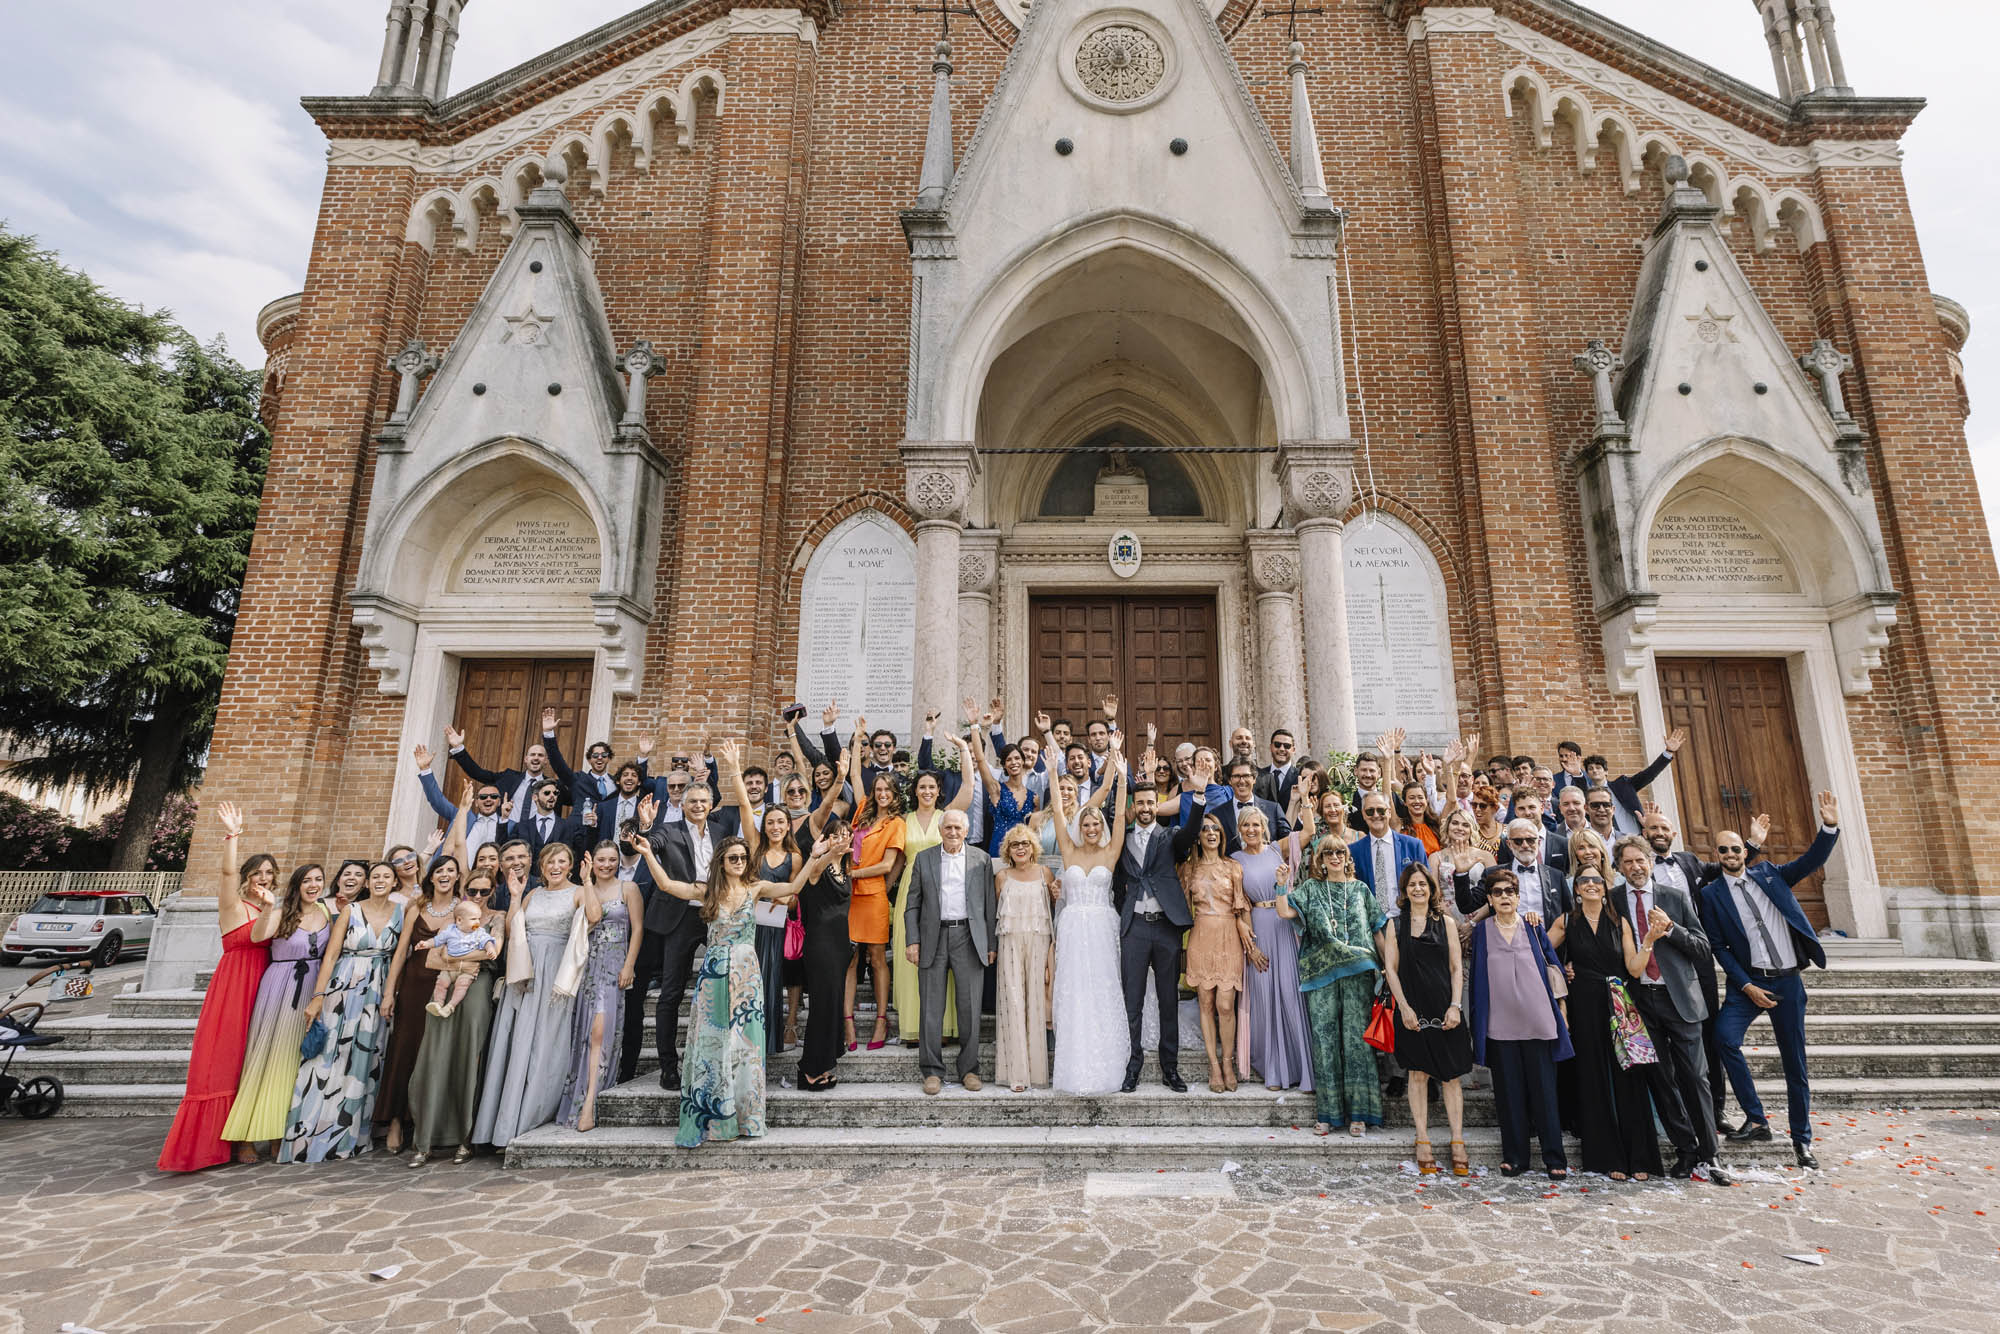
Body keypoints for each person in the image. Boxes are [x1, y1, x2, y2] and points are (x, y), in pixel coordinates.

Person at [1699, 791, 1842, 1170]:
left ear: (1745, 852)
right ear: (1717, 856)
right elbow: (1719, 946)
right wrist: (1745, 985)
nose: (1730, 855)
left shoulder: (1772, 875)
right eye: (1723, 851)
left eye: (1735, 849)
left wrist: (1828, 827)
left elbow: (1812, 861)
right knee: (1724, 1039)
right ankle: (1757, 1118)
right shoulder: (1710, 895)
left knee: (1795, 1064)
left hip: (1788, 982)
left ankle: (1802, 1140)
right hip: (1748, 984)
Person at [637, 831, 793, 1146]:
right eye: (732, 857)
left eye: (743, 857)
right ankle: (713, 1118)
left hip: (747, 974)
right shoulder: (707, 890)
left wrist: (820, 856)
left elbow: (794, 886)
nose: (739, 862)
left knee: (745, 1048)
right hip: (715, 973)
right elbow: (668, 885)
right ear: (721, 861)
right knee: (713, 1044)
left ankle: (745, 1118)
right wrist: (647, 854)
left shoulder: (756, 888)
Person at [1547, 868, 1685, 1181]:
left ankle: (1639, 1158)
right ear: (1577, 890)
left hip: (1617, 1002)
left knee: (1628, 1077)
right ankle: (1606, 1158)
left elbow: (1634, 969)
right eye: (1585, 881)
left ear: (1605, 887)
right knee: (1594, 1077)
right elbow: (1539, 950)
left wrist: (1648, 940)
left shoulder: (1619, 921)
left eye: (1597, 880)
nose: (1592, 885)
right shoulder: (1566, 921)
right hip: (1583, 1003)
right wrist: (1560, 971)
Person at [159, 805, 275, 1172]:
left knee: (249, 1061)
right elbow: (226, 872)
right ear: (246, 876)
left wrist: (272, 910)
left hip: (262, 985)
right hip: (233, 987)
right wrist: (233, 836)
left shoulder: (267, 909)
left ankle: (242, 1134)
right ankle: (210, 1142)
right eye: (258, 873)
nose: (264, 878)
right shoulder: (232, 904)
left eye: (270, 873)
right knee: (222, 1061)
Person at [1611, 835, 1730, 1185]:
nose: (1635, 867)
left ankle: (1711, 1154)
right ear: (1619, 867)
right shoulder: (1614, 900)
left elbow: (1702, 947)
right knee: (1661, 1080)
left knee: (1695, 1078)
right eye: (1628, 862)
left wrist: (1672, 929)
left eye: (1640, 860)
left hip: (1679, 998)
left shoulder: (1674, 898)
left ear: (1650, 861)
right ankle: (1685, 1149)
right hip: (1641, 1001)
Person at [280, 856, 406, 1163]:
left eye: (385, 877)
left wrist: (390, 992)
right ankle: (309, 1133)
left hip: (376, 991)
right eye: (374, 876)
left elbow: (400, 956)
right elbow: (332, 953)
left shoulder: (402, 913)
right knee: (328, 1058)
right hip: (343, 987)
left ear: (394, 884)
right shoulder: (350, 910)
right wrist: (318, 995)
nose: (379, 881)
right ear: (367, 882)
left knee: (364, 1059)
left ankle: (350, 1136)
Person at [221, 862, 333, 1160]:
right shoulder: (284, 912)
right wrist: (269, 907)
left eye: (318, 880)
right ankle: (245, 1136)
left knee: (293, 1063)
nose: (313, 885)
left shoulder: (325, 913)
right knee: (265, 1059)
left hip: (311, 987)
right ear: (296, 885)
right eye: (307, 880)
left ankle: (276, 1130)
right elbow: (258, 937)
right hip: (280, 987)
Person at [1467, 869, 1573, 1179]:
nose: (1504, 897)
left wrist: (1562, 1009)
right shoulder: (1481, 932)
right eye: (1497, 892)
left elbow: (1553, 968)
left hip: (1537, 1019)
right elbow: (1476, 981)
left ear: (1517, 895)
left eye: (1509, 891)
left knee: (1544, 1092)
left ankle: (1555, 1158)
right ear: (1489, 898)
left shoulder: (1533, 927)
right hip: (1500, 1023)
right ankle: (1515, 1157)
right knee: (1509, 1094)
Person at [474, 842, 582, 1148]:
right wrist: (517, 895)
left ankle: (532, 1117)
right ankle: (503, 1123)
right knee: (517, 1040)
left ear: (570, 866)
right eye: (550, 862)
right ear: (542, 867)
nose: (556, 867)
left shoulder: (577, 892)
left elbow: (593, 920)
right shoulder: (533, 894)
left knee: (544, 1041)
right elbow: (511, 928)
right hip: (525, 969)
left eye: (562, 862)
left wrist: (587, 883)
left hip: (555, 971)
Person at [1278, 838, 1382, 1135]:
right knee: (1324, 1042)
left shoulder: (1361, 890)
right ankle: (1328, 1114)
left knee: (1357, 1043)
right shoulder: (1310, 889)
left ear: (1347, 857)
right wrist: (1281, 884)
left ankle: (1360, 1114)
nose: (1335, 856)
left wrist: (1388, 969)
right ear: (1320, 859)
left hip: (1360, 972)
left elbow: (1377, 930)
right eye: (1328, 853)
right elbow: (1285, 912)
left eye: (1340, 852)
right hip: (1320, 973)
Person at [1047, 740, 1131, 1095]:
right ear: (1080, 826)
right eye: (1087, 822)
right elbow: (1056, 811)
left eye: (1096, 822)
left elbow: (1122, 816)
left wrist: (1123, 779)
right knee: (1073, 991)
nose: (1092, 827)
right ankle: (1073, 1065)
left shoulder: (1111, 852)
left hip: (1100, 926)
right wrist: (1052, 772)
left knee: (1102, 990)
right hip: (1071, 925)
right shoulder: (1068, 849)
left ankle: (1106, 1060)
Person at [406, 868, 504, 1166]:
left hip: (476, 988)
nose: (477, 896)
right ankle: (425, 1139)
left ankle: (465, 1137)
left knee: (468, 1055)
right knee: (434, 1056)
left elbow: (494, 953)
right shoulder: (453, 921)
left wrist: (455, 956)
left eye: (483, 892)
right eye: (472, 891)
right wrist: (457, 955)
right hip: (445, 989)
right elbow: (434, 957)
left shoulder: (495, 918)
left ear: (491, 893)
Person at [1378, 863, 1472, 1172]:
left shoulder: (1445, 921)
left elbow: (1456, 967)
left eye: (1423, 884)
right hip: (1411, 1010)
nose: (1418, 889)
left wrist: (1455, 1005)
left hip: (1445, 1007)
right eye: (1412, 885)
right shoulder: (1396, 924)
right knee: (1417, 1074)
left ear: (1431, 889)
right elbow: (1391, 969)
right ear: (1404, 891)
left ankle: (1457, 1139)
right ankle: (1422, 1138)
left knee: (1451, 1076)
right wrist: (1403, 1007)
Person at [633, 776, 723, 1088]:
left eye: (703, 801)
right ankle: (668, 1065)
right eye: (692, 802)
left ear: (710, 805)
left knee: (720, 991)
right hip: (679, 916)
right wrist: (644, 829)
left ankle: (713, 1059)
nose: (698, 806)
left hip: (716, 914)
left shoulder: (723, 831)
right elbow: (648, 845)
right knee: (671, 991)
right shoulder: (667, 830)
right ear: (682, 806)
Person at [904, 809, 1000, 1094]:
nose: (953, 833)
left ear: (966, 831)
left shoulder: (981, 860)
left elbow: (989, 905)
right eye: (948, 828)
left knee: (970, 1008)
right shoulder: (924, 859)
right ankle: (932, 1071)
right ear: (940, 829)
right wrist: (912, 940)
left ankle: (969, 1070)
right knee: (931, 1008)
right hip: (933, 935)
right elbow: (913, 904)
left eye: (958, 828)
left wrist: (991, 944)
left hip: (969, 938)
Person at [891, 722, 976, 1048]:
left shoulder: (948, 816)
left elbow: (968, 786)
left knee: (943, 964)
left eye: (932, 787)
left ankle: (944, 1027)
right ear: (914, 790)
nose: (927, 791)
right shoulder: (903, 821)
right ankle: (913, 1028)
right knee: (912, 963)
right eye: (921, 786)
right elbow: (897, 861)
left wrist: (964, 748)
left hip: (943, 893)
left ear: (939, 791)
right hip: (912, 897)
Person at [1113, 776, 1199, 1094]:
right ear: (1134, 807)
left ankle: (1170, 1068)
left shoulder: (1170, 837)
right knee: (1132, 1002)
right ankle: (1132, 1066)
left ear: (1158, 805)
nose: (1146, 808)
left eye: (1151, 803)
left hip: (1165, 927)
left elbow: (1191, 833)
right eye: (1141, 803)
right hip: (1134, 928)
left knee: (1168, 1001)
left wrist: (1198, 798)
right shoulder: (1122, 838)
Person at [373, 852, 461, 1153]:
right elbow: (400, 953)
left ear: (458, 876)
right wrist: (389, 993)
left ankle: (424, 1121)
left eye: (451, 870)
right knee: (404, 1051)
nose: (445, 875)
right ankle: (396, 1120)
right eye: (440, 871)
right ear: (431, 876)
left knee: (433, 1051)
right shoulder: (416, 907)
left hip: (442, 988)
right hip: (413, 986)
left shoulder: (463, 910)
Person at [557, 842, 644, 1132]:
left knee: (599, 1032)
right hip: (587, 966)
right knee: (585, 1032)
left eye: (611, 860)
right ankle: (580, 1097)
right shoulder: (583, 890)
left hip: (614, 965)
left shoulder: (628, 889)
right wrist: (585, 880)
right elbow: (592, 917)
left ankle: (590, 1103)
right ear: (591, 861)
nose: (606, 865)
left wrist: (629, 965)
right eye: (600, 860)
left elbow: (638, 928)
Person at [1234, 805, 1314, 1092]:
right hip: (1257, 927)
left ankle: (1299, 1069)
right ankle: (1272, 1069)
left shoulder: (1276, 850)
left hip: (1284, 926)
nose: (1252, 830)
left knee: (1290, 995)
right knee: (1264, 998)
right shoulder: (1234, 860)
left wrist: (1304, 799)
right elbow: (1239, 903)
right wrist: (1250, 946)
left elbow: (1309, 832)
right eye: (1246, 826)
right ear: (1240, 830)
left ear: (1264, 827)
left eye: (1256, 825)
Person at [1181, 792, 1256, 1092]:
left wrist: (1249, 939)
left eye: (1215, 829)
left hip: (1228, 935)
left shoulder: (1233, 866)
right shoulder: (1189, 868)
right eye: (1205, 829)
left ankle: (1229, 1062)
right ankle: (1213, 1065)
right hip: (1201, 933)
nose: (1211, 833)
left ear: (1222, 836)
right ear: (1198, 837)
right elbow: (1179, 905)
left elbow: (1242, 907)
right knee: (1206, 1001)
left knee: (1226, 1004)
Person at [846, 724, 908, 1052]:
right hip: (850, 897)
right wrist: (857, 742)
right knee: (850, 960)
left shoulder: (896, 824)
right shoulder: (861, 813)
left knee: (876, 957)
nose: (882, 794)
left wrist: (851, 874)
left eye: (887, 790)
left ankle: (882, 1019)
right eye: (878, 789)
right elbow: (856, 778)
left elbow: (887, 866)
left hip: (872, 895)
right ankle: (848, 1022)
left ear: (895, 795)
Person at [991, 823, 1056, 1091]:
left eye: (1025, 843)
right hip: (1010, 943)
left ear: (1033, 848)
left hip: (1039, 943)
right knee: (1013, 1003)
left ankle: (1038, 1072)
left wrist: (1051, 958)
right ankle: (1016, 1074)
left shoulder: (1045, 873)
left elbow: (1054, 912)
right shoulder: (1002, 876)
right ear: (1008, 849)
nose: (1020, 848)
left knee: (1036, 1004)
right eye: (1015, 844)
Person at [795, 819, 853, 1090]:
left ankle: (825, 1063)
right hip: (820, 944)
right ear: (827, 839)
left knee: (833, 1006)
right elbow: (812, 873)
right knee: (821, 1006)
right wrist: (827, 851)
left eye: (846, 835)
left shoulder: (846, 868)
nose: (842, 840)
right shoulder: (818, 864)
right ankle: (809, 1070)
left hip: (840, 944)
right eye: (836, 835)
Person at [446, 708, 564, 816]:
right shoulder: (509, 777)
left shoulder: (554, 786)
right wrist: (459, 748)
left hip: (537, 836)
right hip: (506, 833)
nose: (536, 758)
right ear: (526, 759)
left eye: (540, 755)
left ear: (546, 761)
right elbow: (478, 773)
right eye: (532, 755)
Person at [1350, 792, 1427, 924]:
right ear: (1363, 814)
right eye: (1370, 811)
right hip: (1372, 925)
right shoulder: (1353, 851)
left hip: (1408, 920)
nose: (1376, 815)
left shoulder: (1413, 845)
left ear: (1389, 812)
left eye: (1381, 810)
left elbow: (1427, 885)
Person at [418, 899, 498, 1017]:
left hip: (467, 970)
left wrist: (490, 948)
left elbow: (487, 941)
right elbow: (437, 941)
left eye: (478, 919)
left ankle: (450, 1006)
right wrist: (426, 944)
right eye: (473, 919)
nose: (477, 922)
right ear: (459, 920)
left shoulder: (478, 933)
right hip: (449, 968)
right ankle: (438, 1003)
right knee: (441, 982)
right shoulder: (450, 931)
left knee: (462, 985)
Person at [1432, 809, 1490, 916]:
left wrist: (1473, 923)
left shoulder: (1485, 856)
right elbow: (1434, 896)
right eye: (1455, 823)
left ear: (1471, 830)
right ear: (1447, 827)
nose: (1459, 828)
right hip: (1447, 916)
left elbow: (1494, 893)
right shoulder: (1435, 857)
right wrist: (1454, 924)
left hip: (1481, 916)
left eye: (1465, 825)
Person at [1254, 728, 1302, 810]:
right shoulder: (1258, 775)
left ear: (1293, 750)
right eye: (1277, 744)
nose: (1282, 749)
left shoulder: (1300, 776)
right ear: (1270, 747)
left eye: (1287, 746)